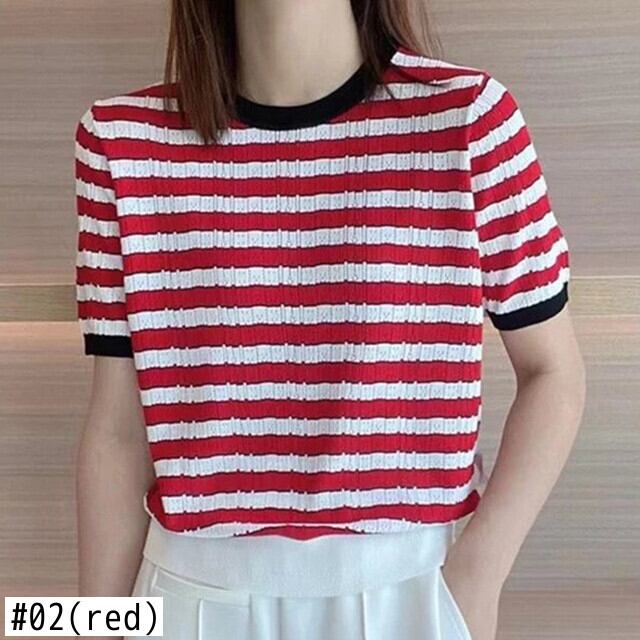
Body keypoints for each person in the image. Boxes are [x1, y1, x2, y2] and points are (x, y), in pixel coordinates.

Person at [73, 1, 586, 639]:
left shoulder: (469, 121)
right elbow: (117, 433)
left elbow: (554, 373)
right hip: (187, 596)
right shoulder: (121, 143)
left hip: (412, 590)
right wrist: (94, 628)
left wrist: (479, 574)